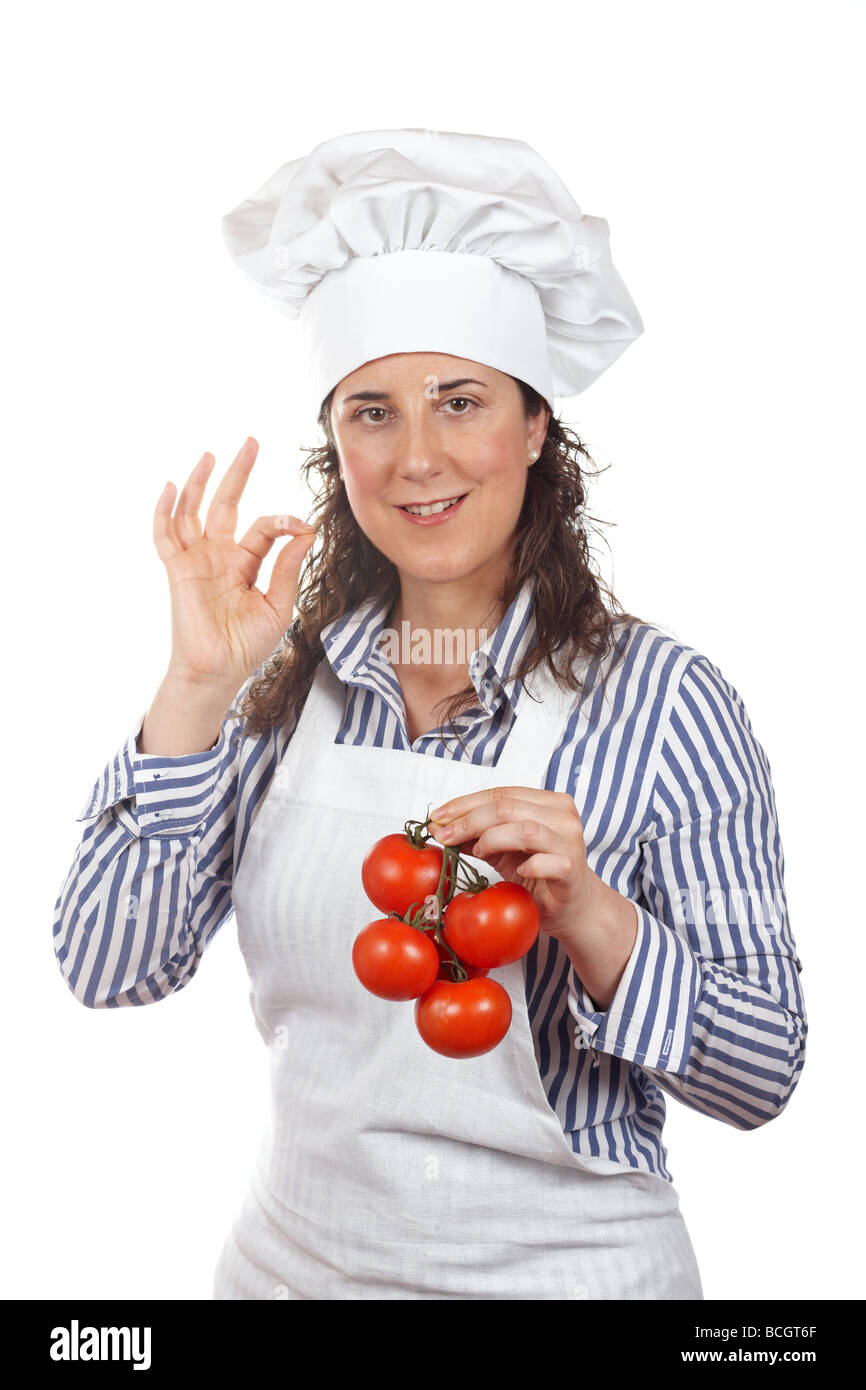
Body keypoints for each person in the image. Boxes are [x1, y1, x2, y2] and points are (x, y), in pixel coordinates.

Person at [53, 129, 807, 1301]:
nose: (416, 459)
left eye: (460, 401)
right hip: (284, 1277)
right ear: (334, 441)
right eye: (371, 411)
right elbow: (108, 967)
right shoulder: (272, 690)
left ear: (536, 426)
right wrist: (194, 688)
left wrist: (590, 914)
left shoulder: (668, 705)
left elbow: (762, 1071)